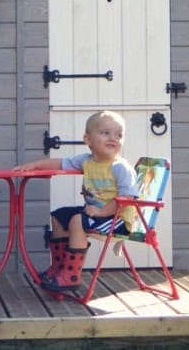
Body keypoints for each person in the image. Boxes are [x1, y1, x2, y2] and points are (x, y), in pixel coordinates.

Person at [13, 110, 138, 292]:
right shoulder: (87, 161)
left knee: (77, 220)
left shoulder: (120, 167)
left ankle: (71, 275)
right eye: (105, 133)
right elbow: (60, 163)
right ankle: (59, 268)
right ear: (87, 139)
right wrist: (34, 165)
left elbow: (127, 199)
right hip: (97, 214)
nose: (113, 138)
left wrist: (101, 212)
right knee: (59, 216)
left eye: (119, 135)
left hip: (117, 220)